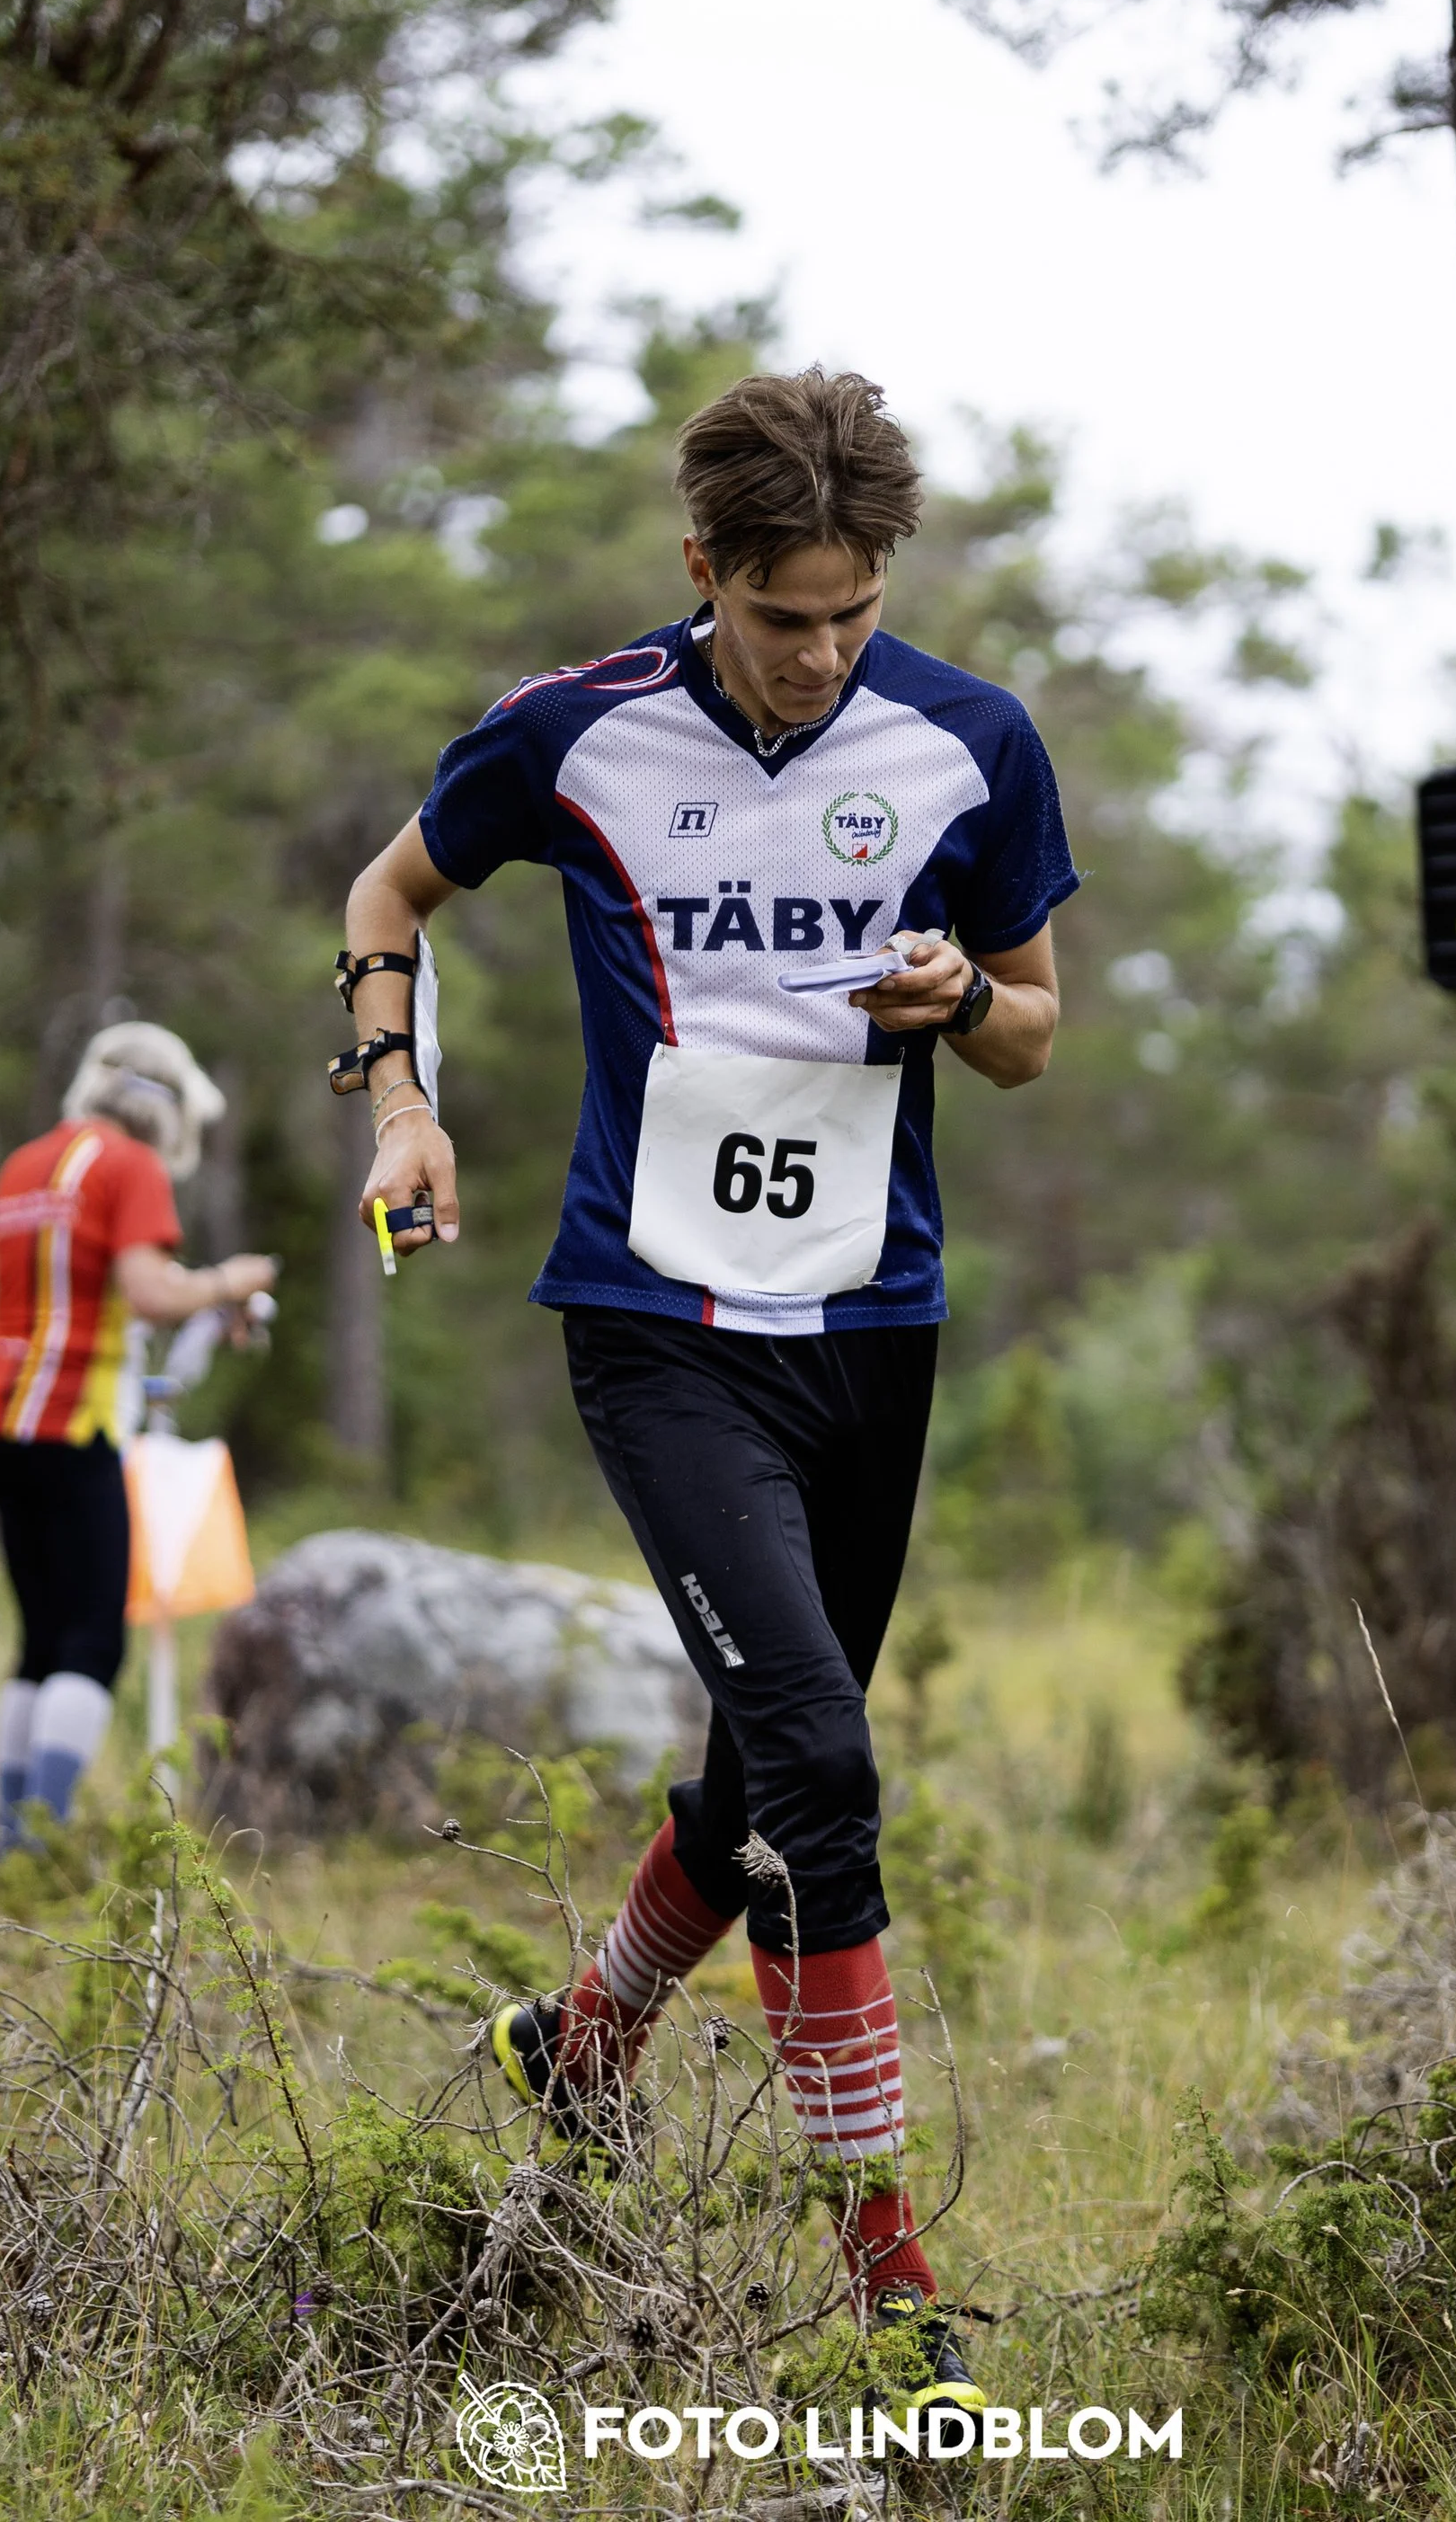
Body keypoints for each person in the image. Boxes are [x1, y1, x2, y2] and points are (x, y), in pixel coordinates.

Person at [340, 369, 1076, 2415]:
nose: (820, 652)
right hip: (659, 1324)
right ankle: (897, 2286)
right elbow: (386, 896)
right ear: (703, 574)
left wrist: (960, 999)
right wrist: (400, 1104)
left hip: (872, 1325)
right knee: (826, 1767)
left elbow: (1031, 1038)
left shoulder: (967, 743)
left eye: (850, 613)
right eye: (781, 619)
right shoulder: (573, 730)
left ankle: (580, 2038)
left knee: (766, 1761)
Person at [0, 1021, 276, 1854]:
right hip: (75, 1422)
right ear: (167, 1108)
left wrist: (196, 1298)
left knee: (40, 1636)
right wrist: (230, 1281)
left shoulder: (27, 1162)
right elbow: (144, 1290)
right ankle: (38, 1840)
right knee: (94, 1639)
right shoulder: (130, 1164)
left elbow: (76, 1288)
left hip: (0, 1417)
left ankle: (10, 1832)